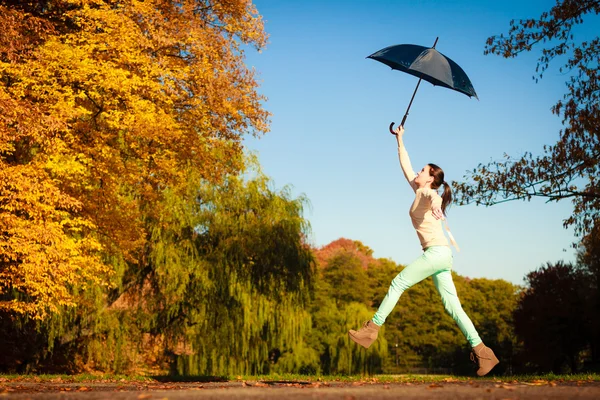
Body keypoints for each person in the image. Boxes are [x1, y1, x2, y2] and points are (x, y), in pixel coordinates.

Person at [348, 125, 499, 377]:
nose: (417, 171)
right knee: (453, 307)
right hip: (442, 255)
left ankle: (371, 330)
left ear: (430, 178)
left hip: (436, 253)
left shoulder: (428, 193)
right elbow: (406, 166)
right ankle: (484, 352)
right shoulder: (419, 190)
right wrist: (400, 140)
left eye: (423, 170)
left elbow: (433, 196)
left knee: (397, 283)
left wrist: (439, 204)